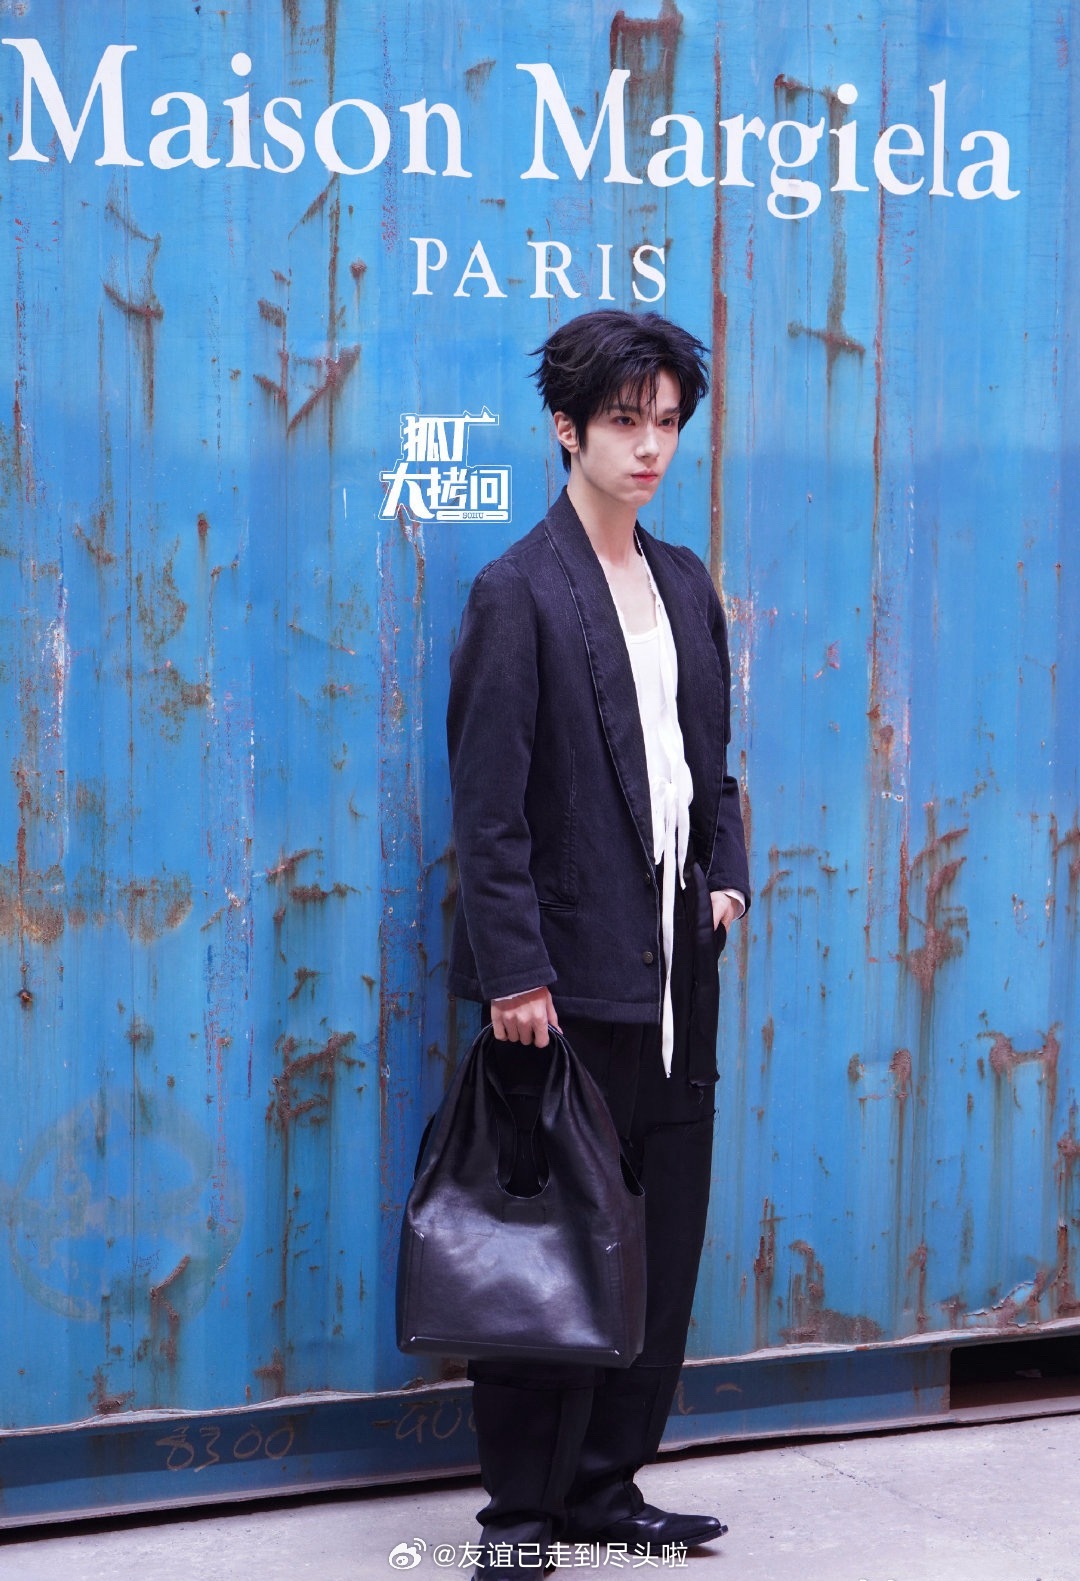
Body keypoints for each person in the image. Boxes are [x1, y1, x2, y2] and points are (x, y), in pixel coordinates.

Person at [445, 309, 750, 1575]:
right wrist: (514, 972)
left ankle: (606, 1488)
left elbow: (710, 762)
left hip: (678, 970)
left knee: (659, 1248)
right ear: (567, 428)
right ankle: (519, 1517)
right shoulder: (518, 591)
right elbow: (488, 810)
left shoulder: (683, 582)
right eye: (626, 421)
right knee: (550, 1250)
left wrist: (726, 881)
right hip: (563, 984)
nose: (651, 447)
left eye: (667, 422)